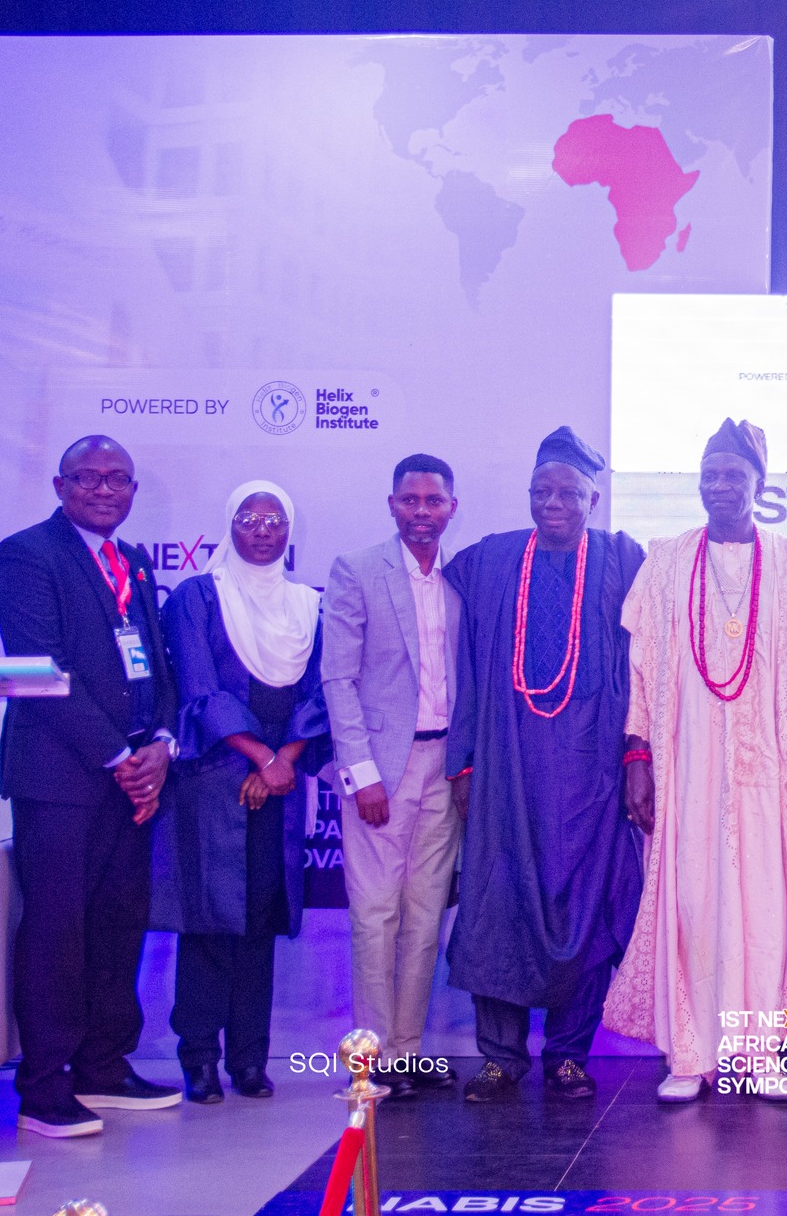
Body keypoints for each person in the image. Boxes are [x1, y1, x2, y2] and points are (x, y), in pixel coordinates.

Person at [604, 420, 787, 1104]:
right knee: (693, 899)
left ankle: (762, 1053)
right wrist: (638, 754)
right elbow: (640, 668)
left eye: (734, 474)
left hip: (774, 764)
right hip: (689, 765)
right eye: (710, 475)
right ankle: (690, 1052)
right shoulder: (666, 560)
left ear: (760, 485)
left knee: (768, 909)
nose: (720, 486)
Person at [444, 426, 645, 1104]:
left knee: (586, 911)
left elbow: (645, 666)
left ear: (594, 498)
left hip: (592, 772)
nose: (552, 503)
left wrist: (637, 754)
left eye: (567, 492)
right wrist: (463, 761)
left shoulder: (623, 559)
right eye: (540, 491)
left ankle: (567, 1055)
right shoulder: (492, 560)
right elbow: (463, 664)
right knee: (498, 907)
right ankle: (500, 1057)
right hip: (507, 769)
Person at [0, 435, 182, 1137]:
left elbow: (156, 663)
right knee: (56, 930)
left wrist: (160, 743)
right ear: (60, 485)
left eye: (118, 479)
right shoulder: (26, 554)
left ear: (133, 490)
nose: (105, 489)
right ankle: (44, 1086)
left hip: (131, 781)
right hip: (61, 781)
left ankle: (103, 1066)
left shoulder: (133, 561)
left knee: (118, 924)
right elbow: (42, 667)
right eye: (89, 477)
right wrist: (119, 756)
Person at [152, 481, 330, 1104]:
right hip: (212, 782)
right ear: (230, 524)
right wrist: (260, 756)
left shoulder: (308, 605)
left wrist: (283, 762)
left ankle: (250, 1059)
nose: (262, 529)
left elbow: (319, 693)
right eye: (249, 517)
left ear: (289, 530)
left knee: (259, 920)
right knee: (209, 919)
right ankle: (199, 1058)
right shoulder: (198, 596)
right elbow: (199, 688)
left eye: (274, 518)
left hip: (279, 787)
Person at [321, 454, 464, 1100]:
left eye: (433, 501)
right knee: (375, 913)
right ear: (392, 505)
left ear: (452, 508)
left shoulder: (459, 578)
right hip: (380, 767)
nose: (422, 511)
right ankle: (370, 1058)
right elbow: (337, 678)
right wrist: (361, 773)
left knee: (425, 916)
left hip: (444, 766)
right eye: (410, 500)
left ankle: (407, 1054)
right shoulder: (356, 570)